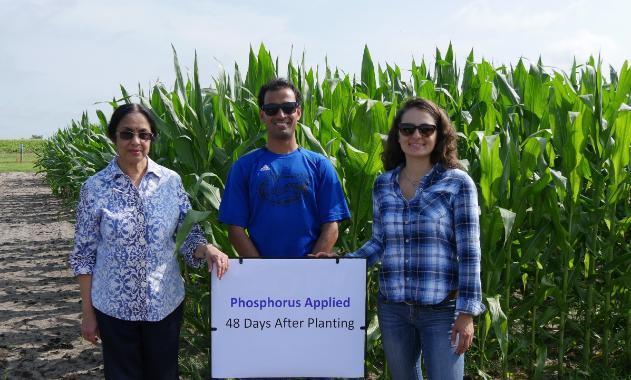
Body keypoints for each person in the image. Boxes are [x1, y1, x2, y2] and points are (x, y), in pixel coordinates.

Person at [318, 98, 485, 379]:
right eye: (407, 129)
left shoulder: (457, 183)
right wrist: (343, 264)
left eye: (425, 129)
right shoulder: (383, 184)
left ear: (439, 133)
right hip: (393, 309)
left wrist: (467, 313)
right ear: (397, 135)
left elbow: (469, 252)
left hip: (441, 310)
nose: (416, 136)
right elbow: (379, 242)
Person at [69, 103, 230, 379]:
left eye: (144, 134)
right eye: (126, 134)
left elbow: (187, 233)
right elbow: (84, 255)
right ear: (113, 137)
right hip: (114, 307)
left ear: (152, 138)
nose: (136, 141)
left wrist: (209, 248)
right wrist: (88, 312)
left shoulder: (171, 181)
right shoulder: (94, 188)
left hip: (164, 304)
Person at [218, 78, 350, 258]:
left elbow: (332, 225)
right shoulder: (244, 167)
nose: (281, 115)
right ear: (262, 115)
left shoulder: (320, 165)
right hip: (261, 275)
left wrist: (308, 269)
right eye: (272, 110)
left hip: (310, 274)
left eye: (288, 108)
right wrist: (263, 270)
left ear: (298, 112)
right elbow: (235, 229)